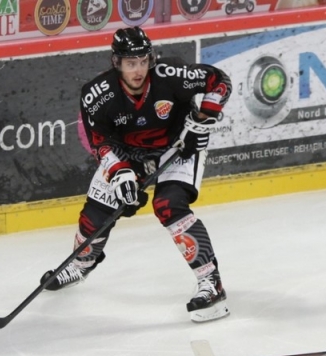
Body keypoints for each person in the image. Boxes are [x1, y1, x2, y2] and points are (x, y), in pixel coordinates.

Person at [41, 27, 233, 323]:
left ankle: (211, 284)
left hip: (178, 146)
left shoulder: (170, 76)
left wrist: (202, 121)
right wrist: (121, 175)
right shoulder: (97, 94)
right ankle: (82, 263)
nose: (139, 70)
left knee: (169, 206)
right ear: (116, 62)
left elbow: (219, 81)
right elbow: (100, 142)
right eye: (131, 63)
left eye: (143, 61)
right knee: (97, 215)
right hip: (126, 152)